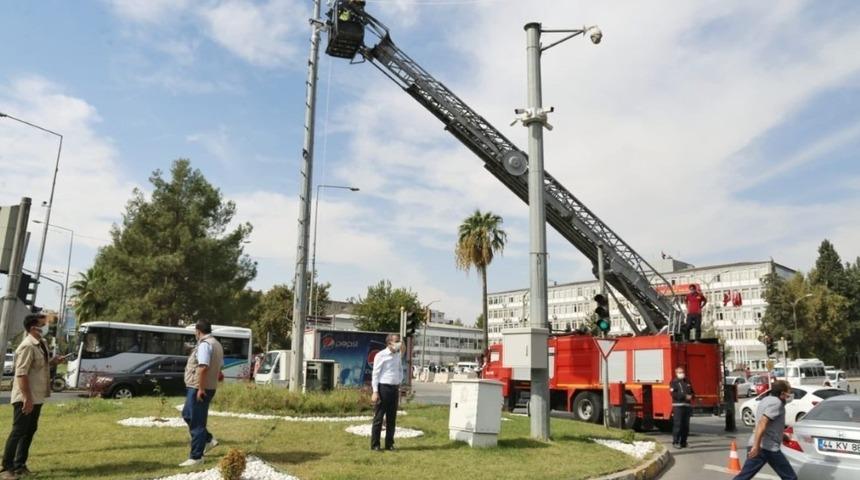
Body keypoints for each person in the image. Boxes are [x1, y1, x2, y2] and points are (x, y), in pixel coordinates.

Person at [2, 313, 68, 479]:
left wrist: (54, 362)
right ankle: (6, 469)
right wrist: (27, 399)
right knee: (18, 431)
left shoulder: (41, 344)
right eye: (43, 324)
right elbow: (21, 374)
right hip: (25, 397)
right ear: (33, 328)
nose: (46, 327)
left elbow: (39, 366)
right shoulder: (27, 346)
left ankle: (20, 465)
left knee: (29, 430)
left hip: (37, 396)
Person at [179, 321, 224, 467]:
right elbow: (218, 367)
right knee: (187, 414)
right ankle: (208, 439)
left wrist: (201, 389)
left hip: (199, 387)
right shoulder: (216, 343)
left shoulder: (205, 344)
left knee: (197, 422)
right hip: (202, 386)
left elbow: (203, 367)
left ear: (198, 331)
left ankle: (196, 456)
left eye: (195, 331)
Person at [733, 380, 797, 480]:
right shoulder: (777, 403)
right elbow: (763, 422)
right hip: (767, 448)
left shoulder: (766, 400)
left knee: (744, 476)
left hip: (761, 445)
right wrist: (756, 446)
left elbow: (769, 425)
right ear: (782, 393)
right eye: (788, 392)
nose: (790, 395)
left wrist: (782, 436)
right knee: (790, 477)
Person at [370, 333, 403, 451]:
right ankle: (375, 445)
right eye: (397, 341)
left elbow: (399, 369)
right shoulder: (381, 355)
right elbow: (375, 374)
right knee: (379, 418)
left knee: (392, 418)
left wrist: (399, 381)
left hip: (394, 388)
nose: (400, 343)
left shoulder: (398, 354)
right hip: (383, 388)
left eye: (400, 341)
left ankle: (389, 444)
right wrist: (375, 391)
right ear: (390, 343)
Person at [669, 366, 694, 448]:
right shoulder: (674, 382)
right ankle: (675, 442)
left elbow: (693, 392)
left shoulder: (687, 382)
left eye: (682, 372)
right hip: (678, 406)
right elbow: (673, 394)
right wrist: (684, 396)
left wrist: (692, 396)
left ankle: (684, 442)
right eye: (680, 372)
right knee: (678, 425)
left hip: (687, 406)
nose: (682, 374)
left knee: (686, 426)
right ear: (676, 373)